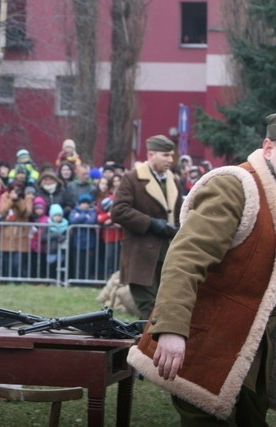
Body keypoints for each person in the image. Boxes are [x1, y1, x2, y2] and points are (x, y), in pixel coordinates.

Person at [127, 114, 276, 425]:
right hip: (208, 341)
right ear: (267, 147)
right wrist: (171, 328)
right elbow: (185, 258)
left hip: (255, 354)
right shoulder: (236, 186)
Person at [111, 135, 182, 319]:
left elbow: (180, 213)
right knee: (149, 310)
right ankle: (147, 346)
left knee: (165, 307)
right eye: (165, 155)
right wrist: (150, 223)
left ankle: (153, 345)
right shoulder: (132, 179)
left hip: (168, 253)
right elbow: (118, 211)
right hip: (141, 256)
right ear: (151, 154)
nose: (170, 160)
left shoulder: (173, 181)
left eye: (171, 155)